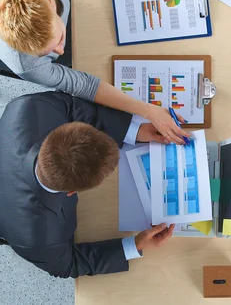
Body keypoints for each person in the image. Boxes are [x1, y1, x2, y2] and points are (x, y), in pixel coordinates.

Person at [0, 0, 191, 144]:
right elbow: (84, 85)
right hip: (87, 45)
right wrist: (147, 110)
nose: (60, 52)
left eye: (58, 39)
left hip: (86, 1)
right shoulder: (26, 64)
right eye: (48, 52)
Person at [0, 91, 175, 278]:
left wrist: (135, 131)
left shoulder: (29, 107)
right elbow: (69, 265)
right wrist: (135, 245)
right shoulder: (38, 240)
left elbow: (71, 107)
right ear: (72, 192)